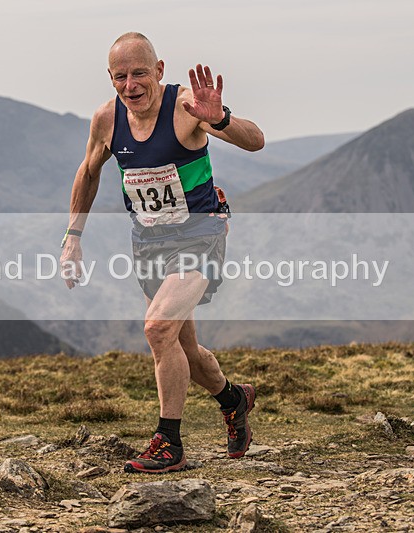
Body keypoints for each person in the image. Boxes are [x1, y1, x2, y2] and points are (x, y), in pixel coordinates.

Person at [59, 32, 264, 473]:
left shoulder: (187, 107)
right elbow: (88, 172)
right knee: (183, 348)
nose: (130, 85)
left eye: (139, 73)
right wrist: (73, 236)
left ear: (159, 70)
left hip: (200, 236)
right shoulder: (107, 119)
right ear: (110, 78)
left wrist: (221, 119)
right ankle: (233, 399)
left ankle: (169, 442)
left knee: (157, 328)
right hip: (149, 244)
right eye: (120, 77)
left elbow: (255, 140)